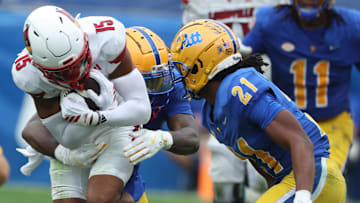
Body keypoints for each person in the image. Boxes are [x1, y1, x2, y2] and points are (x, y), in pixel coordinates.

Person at [169, 19, 346, 203]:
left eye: (183, 68)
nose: (179, 75)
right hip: (292, 181)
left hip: (313, 177)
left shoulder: (239, 88)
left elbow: (300, 140)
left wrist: (302, 196)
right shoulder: (212, 115)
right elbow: (260, 161)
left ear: (201, 65)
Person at [18, 26, 200, 203]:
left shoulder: (171, 85)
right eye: (146, 83)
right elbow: (32, 129)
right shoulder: (95, 85)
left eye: (159, 80)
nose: (153, 90)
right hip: (87, 152)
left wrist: (161, 138)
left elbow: (191, 138)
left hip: (123, 159)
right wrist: (61, 153)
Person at [11, 5, 151, 203]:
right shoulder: (27, 74)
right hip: (76, 135)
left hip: (119, 122)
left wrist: (102, 115)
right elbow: (69, 140)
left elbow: (142, 109)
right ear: (37, 64)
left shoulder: (107, 37)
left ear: (84, 40)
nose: (73, 75)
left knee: (101, 198)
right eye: (61, 72)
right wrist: (80, 128)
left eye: (77, 63)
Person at [181, 0, 289, 202]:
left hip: (264, 96)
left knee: (261, 182)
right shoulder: (198, 5)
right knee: (223, 177)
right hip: (221, 100)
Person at [242, 0, 359, 171]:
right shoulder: (271, 21)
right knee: (278, 180)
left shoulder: (351, 26)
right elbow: (243, 61)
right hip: (287, 120)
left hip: (332, 121)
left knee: (325, 177)